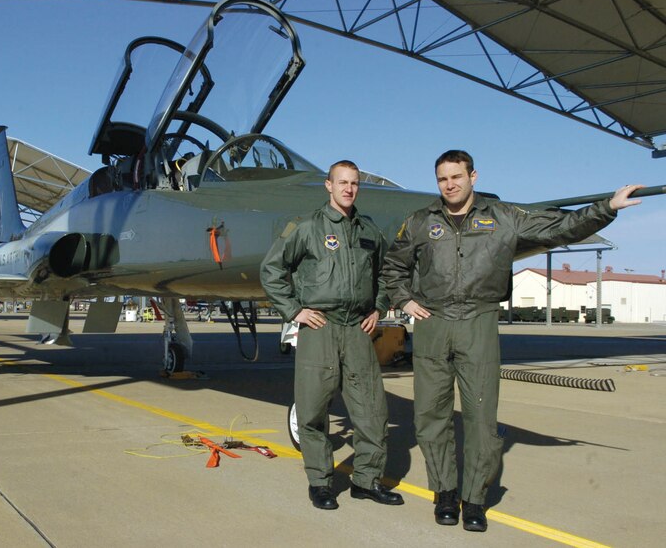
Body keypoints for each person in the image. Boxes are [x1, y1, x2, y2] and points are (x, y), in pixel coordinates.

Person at [382, 149, 643, 532]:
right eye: (442, 178)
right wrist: (404, 299)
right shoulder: (421, 222)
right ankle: (445, 494)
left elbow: (560, 227)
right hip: (434, 323)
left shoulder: (502, 217)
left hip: (479, 322)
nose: (450, 184)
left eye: (457, 176)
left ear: (473, 177)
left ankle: (473, 499)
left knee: (482, 419)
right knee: (430, 418)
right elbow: (394, 266)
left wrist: (607, 207)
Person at [261, 160, 403, 510]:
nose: (349, 189)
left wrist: (379, 307)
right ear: (328, 186)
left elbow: (386, 272)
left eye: (354, 183)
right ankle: (321, 482)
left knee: (372, 410)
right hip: (319, 328)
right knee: (312, 409)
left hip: (357, 328)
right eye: (342, 182)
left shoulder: (369, 230)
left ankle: (367, 481)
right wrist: (295, 310)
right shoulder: (307, 227)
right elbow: (272, 269)